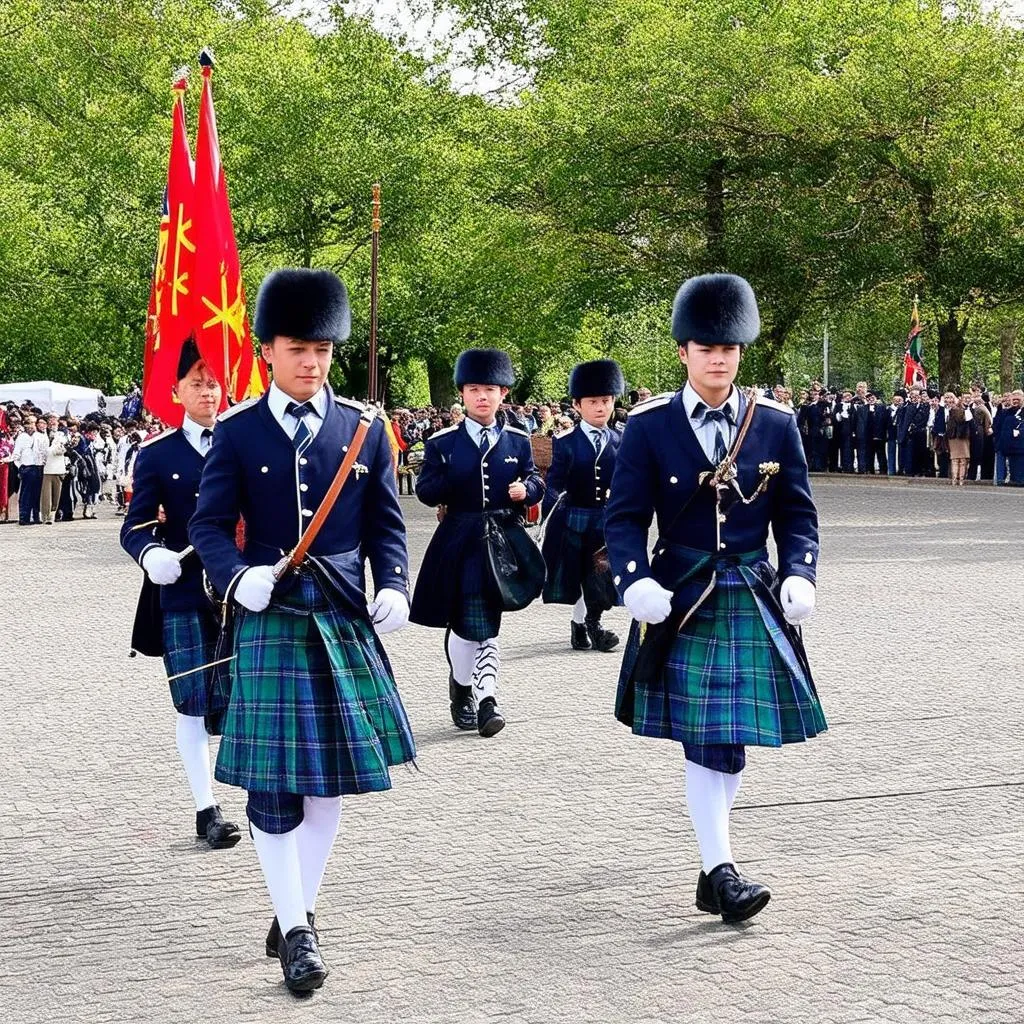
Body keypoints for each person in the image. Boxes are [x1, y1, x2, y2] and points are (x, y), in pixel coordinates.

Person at [190, 268, 415, 995]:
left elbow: (386, 524)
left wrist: (396, 586)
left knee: (328, 788)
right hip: (273, 616)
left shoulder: (362, 429)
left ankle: (297, 910)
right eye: (297, 348)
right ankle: (297, 935)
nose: (312, 362)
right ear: (267, 351)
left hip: (344, 613)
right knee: (272, 792)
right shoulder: (237, 431)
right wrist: (234, 576)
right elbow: (208, 525)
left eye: (322, 348)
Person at [605, 274, 826, 925]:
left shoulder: (776, 424)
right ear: (683, 351)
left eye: (729, 346)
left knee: (731, 743)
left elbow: (798, 514)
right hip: (684, 599)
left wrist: (802, 573)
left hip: (753, 593)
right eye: (706, 346)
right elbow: (622, 519)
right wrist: (633, 578)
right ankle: (721, 870)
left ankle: (712, 868)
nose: (719, 357)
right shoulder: (649, 427)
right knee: (707, 738)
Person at [121, 337, 242, 852]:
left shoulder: (245, 443)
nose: (208, 391)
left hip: (243, 590)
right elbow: (135, 526)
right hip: (186, 591)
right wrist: (151, 555)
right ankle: (206, 807)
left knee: (246, 696)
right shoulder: (157, 455)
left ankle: (261, 795)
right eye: (197, 383)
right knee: (192, 704)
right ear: (176, 391)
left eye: (214, 381)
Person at [411, 348, 545, 738]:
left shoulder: (519, 440)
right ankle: (462, 688)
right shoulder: (442, 442)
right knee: (467, 625)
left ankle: (488, 700)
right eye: (473, 389)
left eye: (489, 389)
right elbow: (423, 490)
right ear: (463, 395)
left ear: (503, 393)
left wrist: (528, 489)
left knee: (487, 623)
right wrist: (450, 479)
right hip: (460, 539)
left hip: (503, 539)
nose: (482, 396)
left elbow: (536, 480)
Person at [541, 359, 624, 653]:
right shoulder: (565, 441)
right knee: (576, 575)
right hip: (574, 517)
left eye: (606, 400)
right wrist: (552, 511)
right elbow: (554, 482)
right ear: (577, 405)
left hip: (606, 518)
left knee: (600, 574)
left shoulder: (621, 439)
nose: (600, 407)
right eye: (593, 402)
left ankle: (593, 623)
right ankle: (580, 624)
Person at [12, 414, 47, 524]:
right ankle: (24, 517)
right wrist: (20, 467)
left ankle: (36, 516)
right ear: (25, 425)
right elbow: (16, 454)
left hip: (38, 466)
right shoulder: (22, 437)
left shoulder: (40, 436)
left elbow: (44, 451)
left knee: (37, 493)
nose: (32, 426)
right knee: (26, 493)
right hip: (27, 467)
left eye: (33, 423)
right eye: (29, 423)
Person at [943, 394, 971, 486]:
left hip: (954, 437)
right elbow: (963, 419)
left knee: (955, 459)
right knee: (962, 460)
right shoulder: (958, 410)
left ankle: (955, 479)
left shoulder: (952, 410)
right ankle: (960, 480)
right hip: (960, 437)